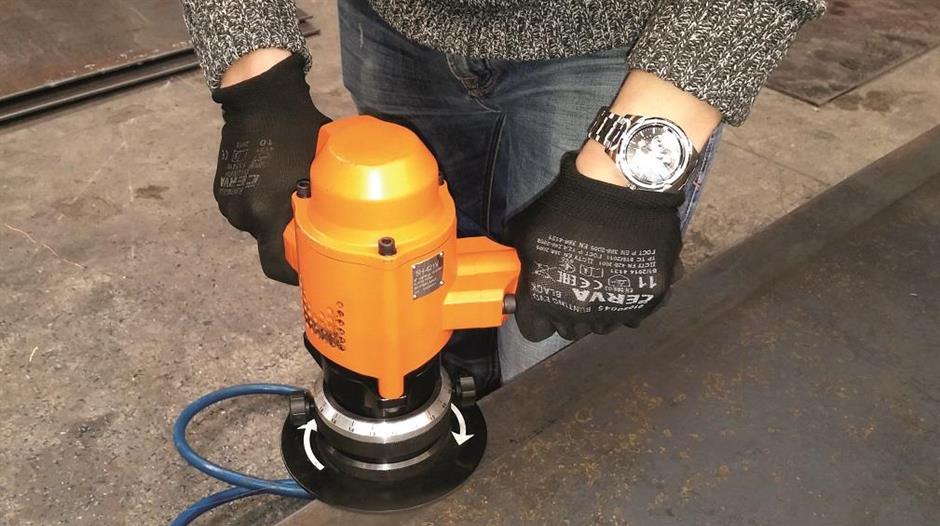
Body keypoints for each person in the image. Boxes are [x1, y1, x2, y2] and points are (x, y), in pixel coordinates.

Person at [182, 0, 823, 394]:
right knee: (431, 333)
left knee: (554, 371)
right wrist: (256, 82)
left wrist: (632, 170)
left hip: (625, 39)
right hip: (391, 23)